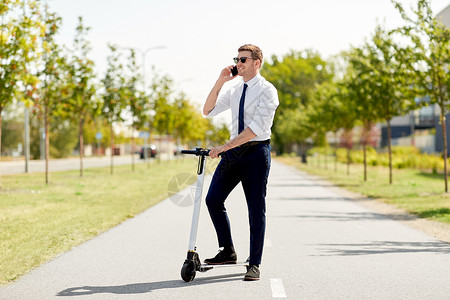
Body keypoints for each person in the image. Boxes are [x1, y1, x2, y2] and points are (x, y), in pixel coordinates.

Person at [202, 44, 279, 281]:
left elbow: (255, 129)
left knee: (256, 209)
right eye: (237, 59)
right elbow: (208, 110)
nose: (238, 63)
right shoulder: (235, 90)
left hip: (256, 153)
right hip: (235, 153)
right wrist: (221, 79)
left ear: (257, 63)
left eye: (243, 59)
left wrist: (224, 147)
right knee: (213, 199)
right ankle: (227, 251)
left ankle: (254, 263)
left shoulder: (268, 90)